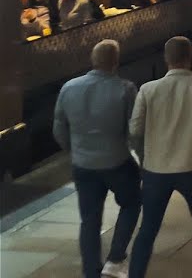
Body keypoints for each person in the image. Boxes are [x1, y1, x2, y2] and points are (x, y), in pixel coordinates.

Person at [128, 37, 192, 278]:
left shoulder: (148, 89)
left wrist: (144, 158)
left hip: (156, 171)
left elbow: (134, 130)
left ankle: (136, 273)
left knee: (148, 228)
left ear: (166, 59)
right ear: (189, 57)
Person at [54, 39, 140, 278]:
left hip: (83, 165)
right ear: (116, 62)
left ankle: (91, 271)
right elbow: (134, 131)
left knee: (89, 220)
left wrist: (74, 150)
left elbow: (59, 128)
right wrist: (142, 158)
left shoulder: (69, 87)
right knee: (132, 203)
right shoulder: (125, 89)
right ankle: (115, 259)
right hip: (117, 162)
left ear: (93, 60)